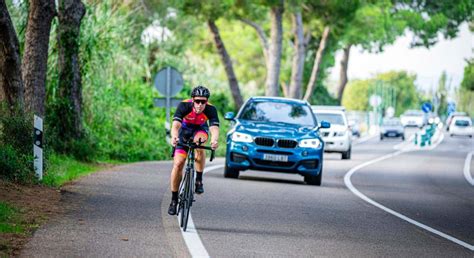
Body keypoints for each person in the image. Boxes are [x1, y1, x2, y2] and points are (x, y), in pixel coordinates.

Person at [168, 85, 220, 215]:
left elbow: (214, 128)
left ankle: (199, 180)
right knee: (178, 164)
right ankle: (174, 200)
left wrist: (214, 140)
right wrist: (174, 136)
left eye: (203, 101)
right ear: (193, 100)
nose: (200, 104)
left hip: (200, 130)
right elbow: (175, 125)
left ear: (206, 101)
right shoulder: (184, 106)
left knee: (199, 144)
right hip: (183, 131)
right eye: (197, 101)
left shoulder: (211, 109)